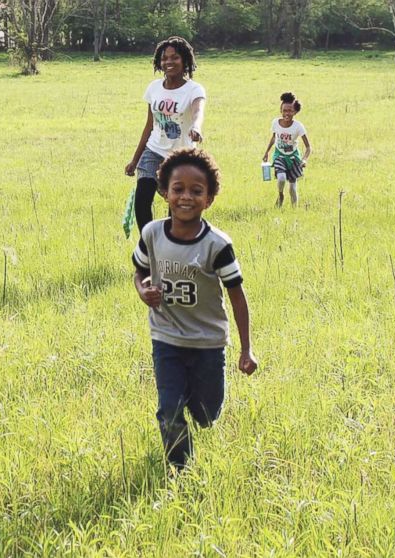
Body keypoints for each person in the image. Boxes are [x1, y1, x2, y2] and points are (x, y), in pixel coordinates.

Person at [131, 148, 258, 471]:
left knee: (206, 413)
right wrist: (143, 289)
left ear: (209, 198)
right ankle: (180, 470)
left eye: (196, 191)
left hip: (208, 342)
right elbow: (140, 271)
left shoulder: (217, 244)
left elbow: (237, 296)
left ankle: (198, 407)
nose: (186, 197)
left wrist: (246, 349)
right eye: (178, 189)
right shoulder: (152, 234)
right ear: (164, 192)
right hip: (167, 337)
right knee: (169, 409)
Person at [125, 37, 206, 233]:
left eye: (175, 57)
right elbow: (149, 126)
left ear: (185, 61)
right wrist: (135, 160)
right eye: (164, 58)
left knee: (177, 204)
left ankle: (172, 243)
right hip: (153, 151)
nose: (169, 62)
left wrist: (196, 127)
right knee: (142, 199)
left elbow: (198, 111)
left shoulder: (194, 89)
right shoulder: (154, 88)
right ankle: (148, 243)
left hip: (181, 156)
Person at [262, 92, 311, 207]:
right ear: (280, 110)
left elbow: (309, 147)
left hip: (293, 158)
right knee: (281, 178)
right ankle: (280, 195)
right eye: (284, 110)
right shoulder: (275, 123)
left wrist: (304, 159)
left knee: (293, 189)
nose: (287, 113)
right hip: (279, 155)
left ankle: (294, 209)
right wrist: (267, 152)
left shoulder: (298, 126)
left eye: (290, 111)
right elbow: (274, 137)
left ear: (295, 112)